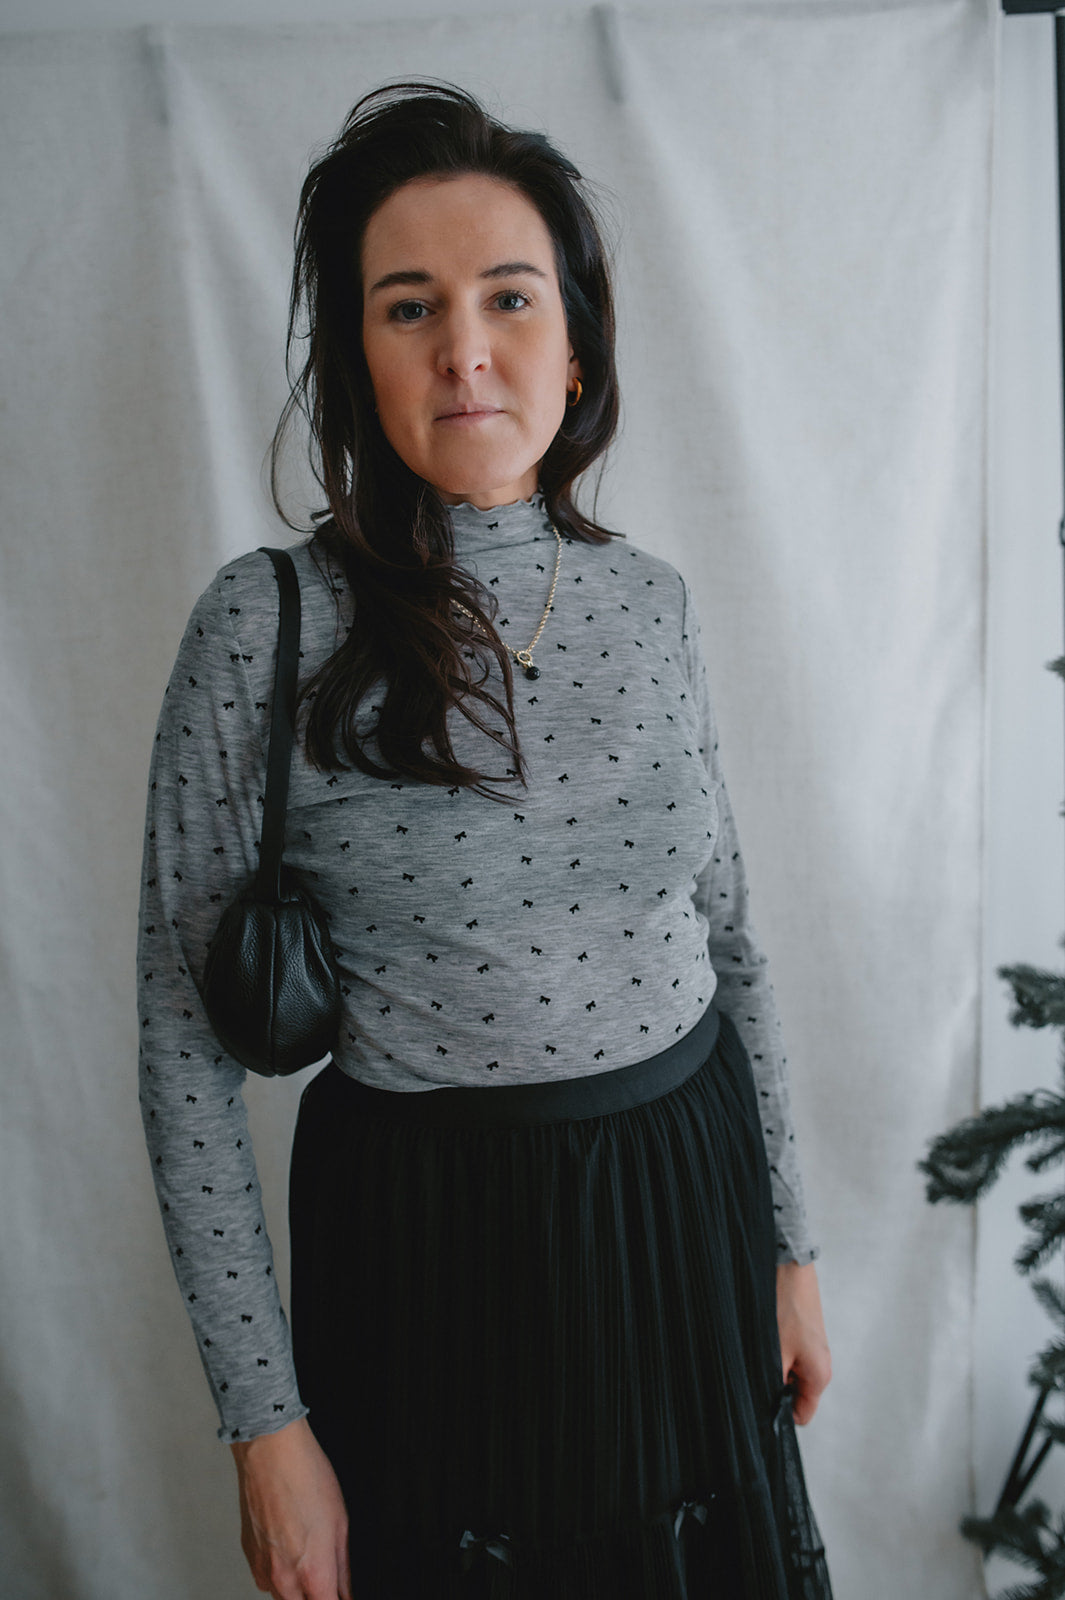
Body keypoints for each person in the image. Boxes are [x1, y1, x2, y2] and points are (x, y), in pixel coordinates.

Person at [137, 79, 833, 1600]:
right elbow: (182, 1057)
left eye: (508, 297)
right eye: (409, 307)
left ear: (574, 346)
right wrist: (264, 1427)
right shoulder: (263, 628)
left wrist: (790, 1247)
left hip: (686, 1193)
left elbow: (729, 939)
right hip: (433, 1257)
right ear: (356, 358)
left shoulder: (650, 602)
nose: (464, 349)